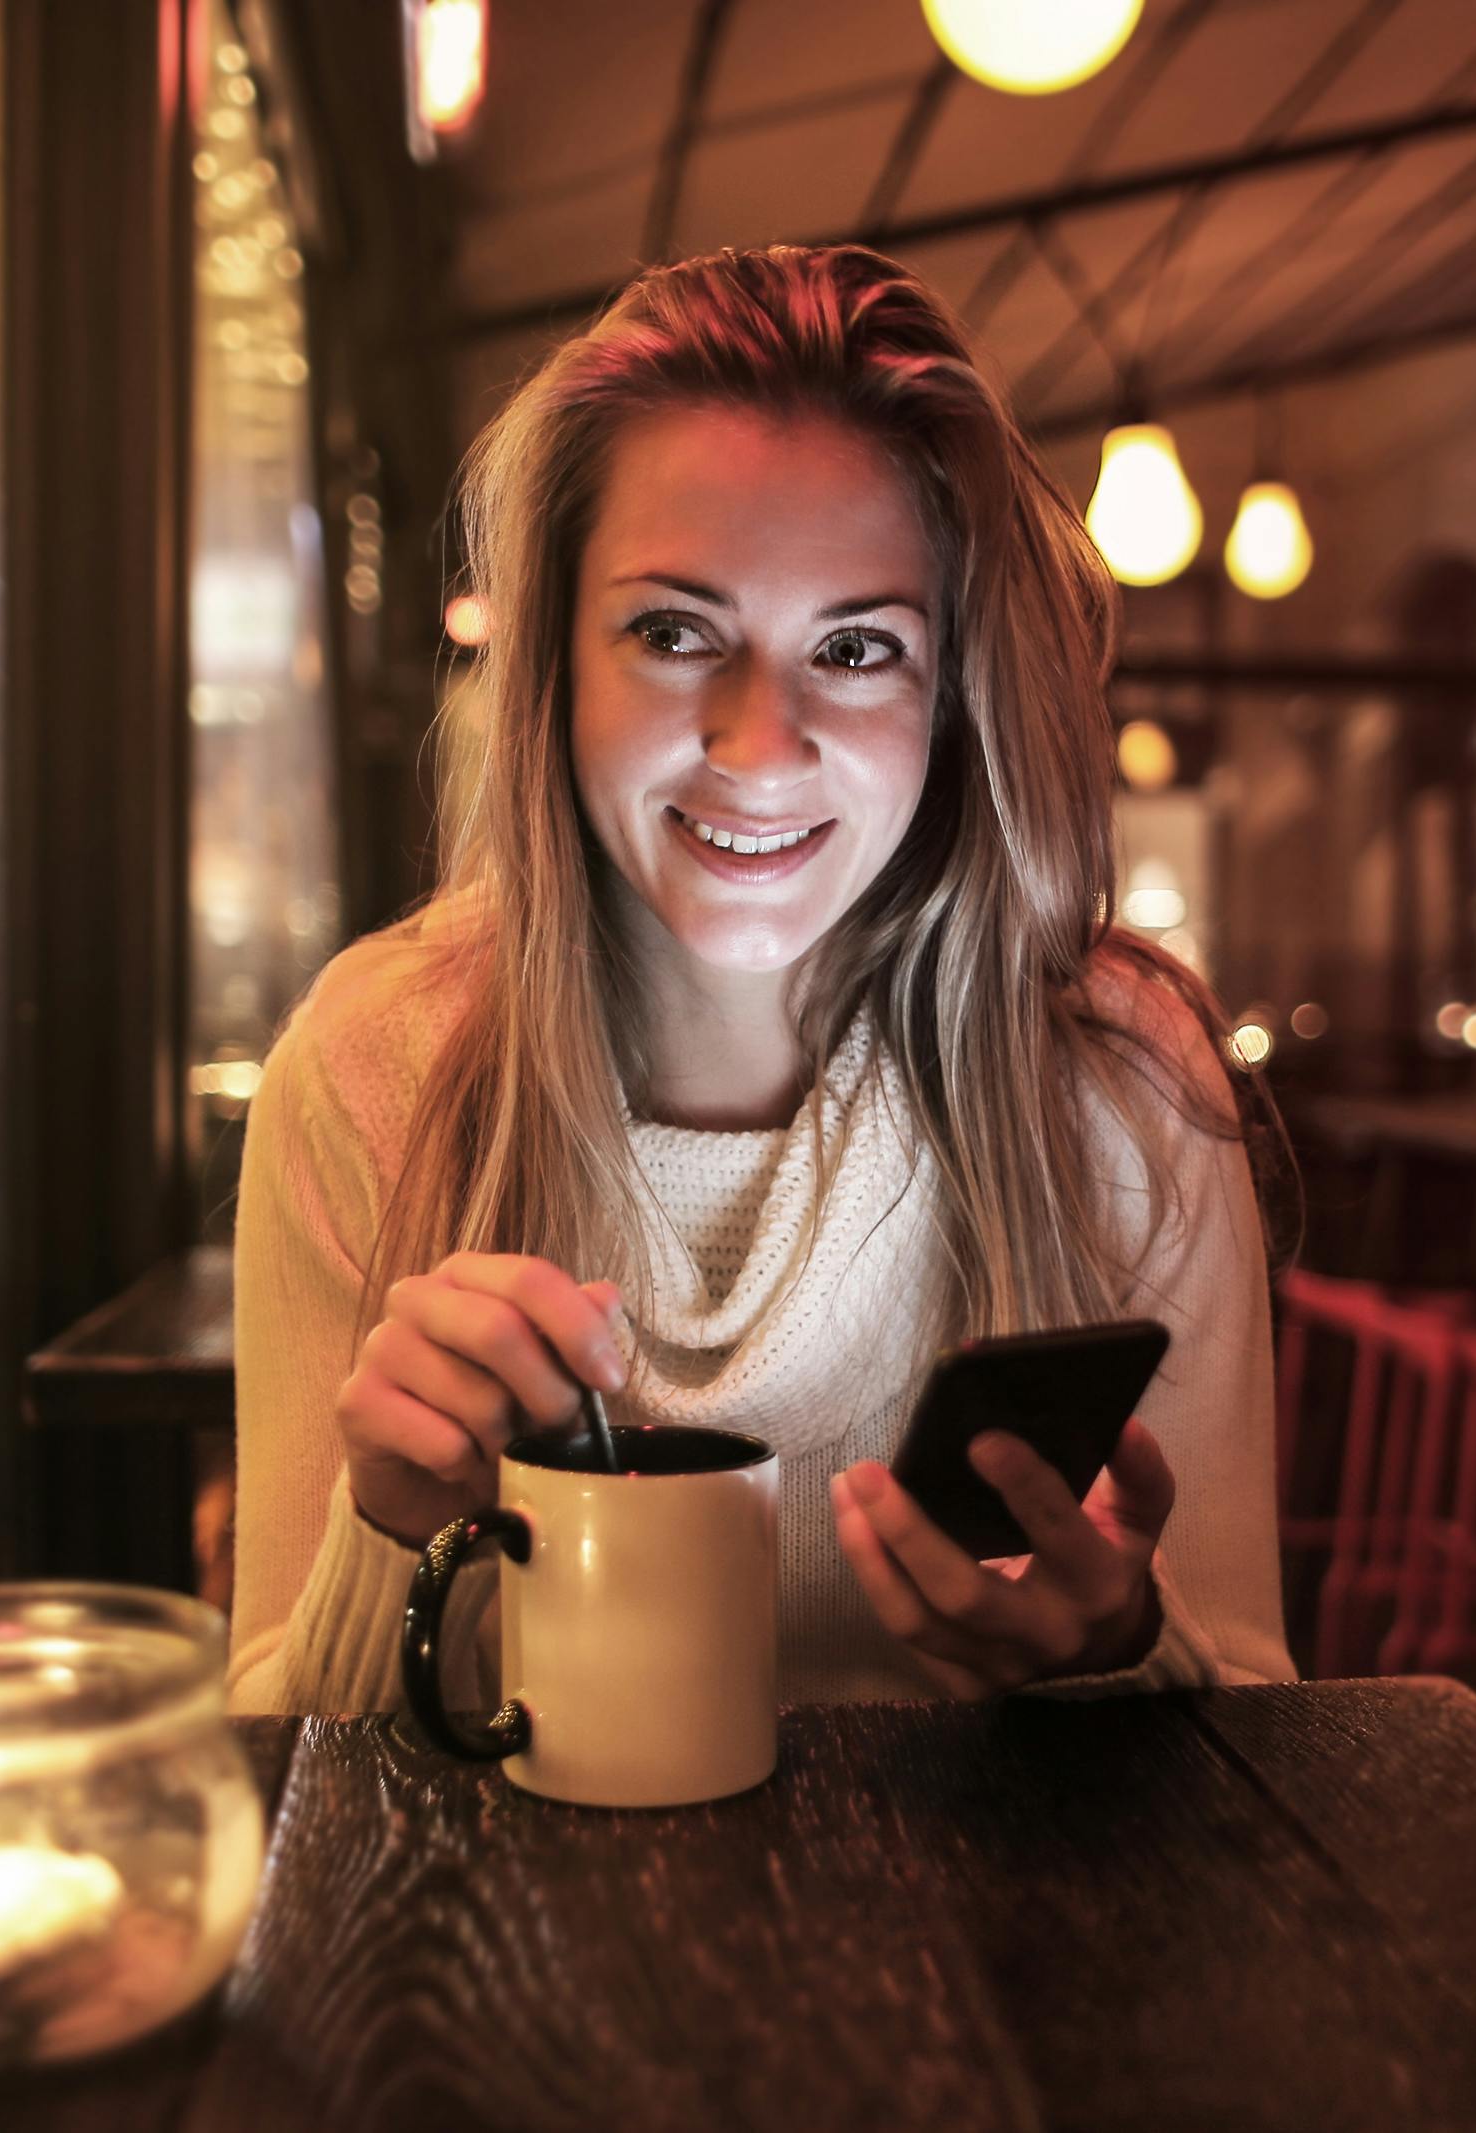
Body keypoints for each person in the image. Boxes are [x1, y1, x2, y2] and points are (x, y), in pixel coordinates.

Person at [231, 244, 1294, 1714]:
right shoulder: (374, 1064)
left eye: (856, 650)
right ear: (554, 668)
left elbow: (1263, 1707)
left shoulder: (1123, 1076)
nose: (757, 739)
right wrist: (389, 1541)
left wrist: (1118, 1654)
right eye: (676, 632)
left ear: (954, 695)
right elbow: (274, 1756)